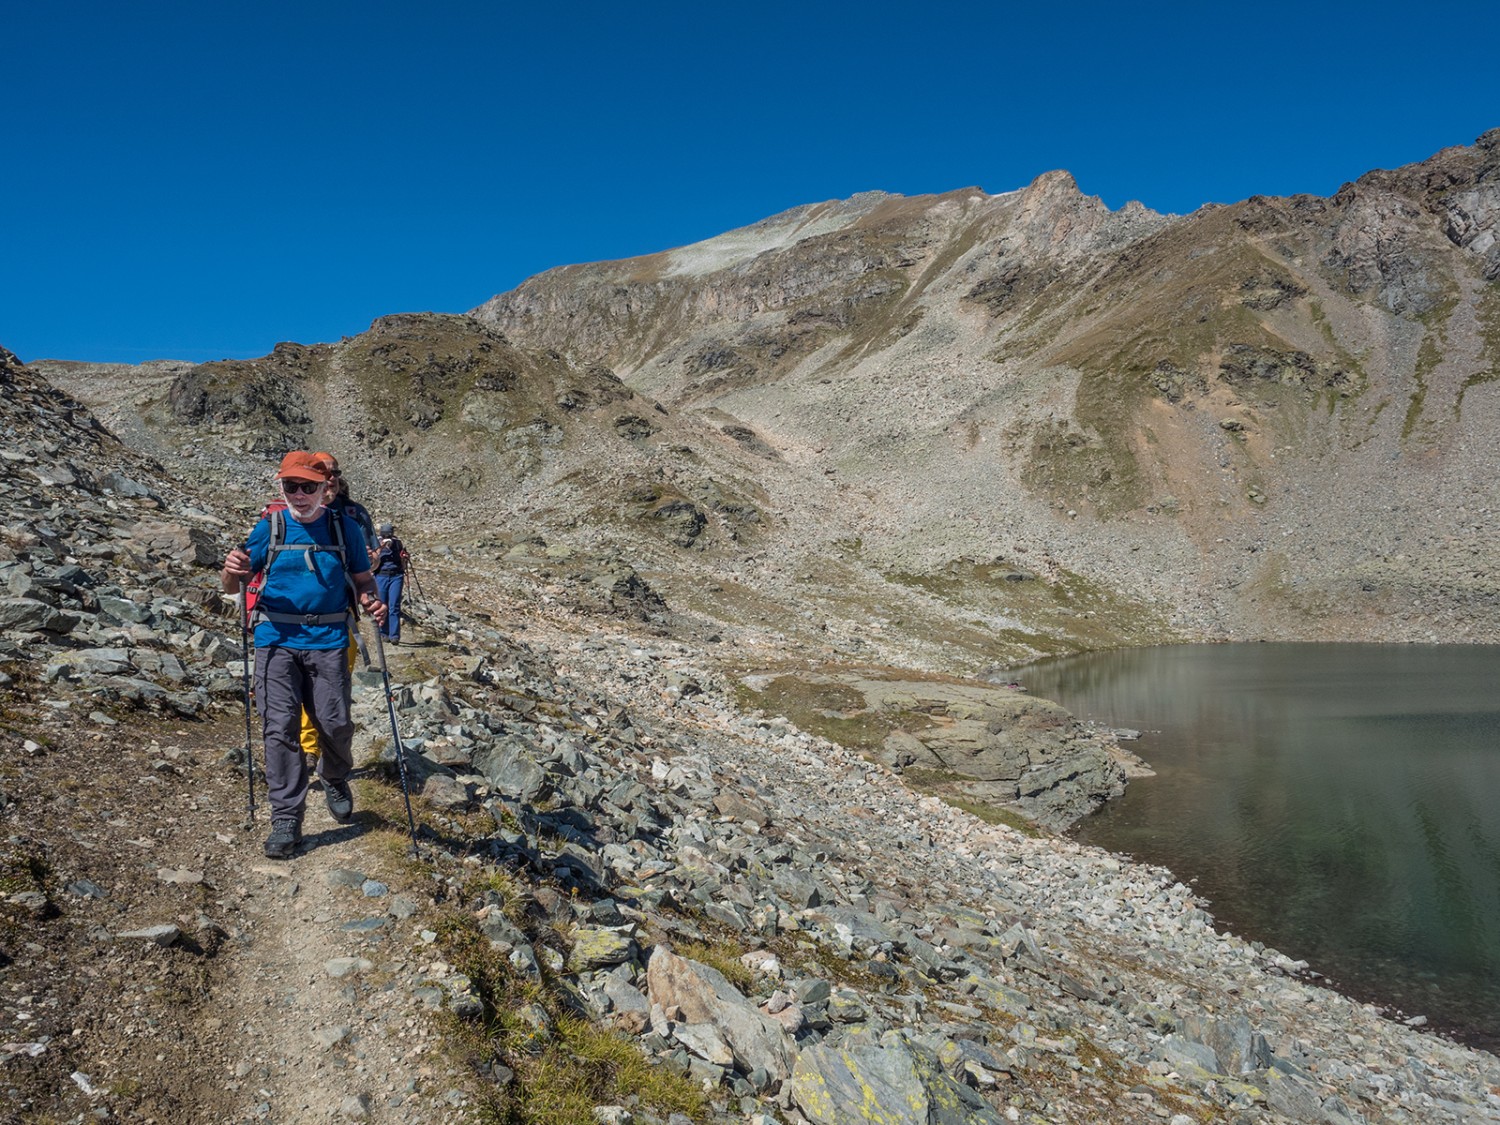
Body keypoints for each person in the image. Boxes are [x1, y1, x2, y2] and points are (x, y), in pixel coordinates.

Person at [221, 451, 387, 859]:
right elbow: (232, 584)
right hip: (275, 637)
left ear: (323, 487)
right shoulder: (270, 527)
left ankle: (333, 774)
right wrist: (231, 568)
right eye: (290, 486)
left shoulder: (343, 527)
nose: (299, 494)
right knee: (279, 728)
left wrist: (372, 601)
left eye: (307, 486)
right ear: (281, 487)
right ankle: (286, 816)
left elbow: (364, 579)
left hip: (328, 637)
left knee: (335, 722)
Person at [372, 522, 408, 644]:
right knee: (382, 604)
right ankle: (384, 632)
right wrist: (381, 547)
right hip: (381, 575)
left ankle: (394, 636)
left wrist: (405, 557)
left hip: (396, 576)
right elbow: (371, 560)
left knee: (394, 605)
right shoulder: (376, 542)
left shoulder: (397, 543)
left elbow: (403, 560)